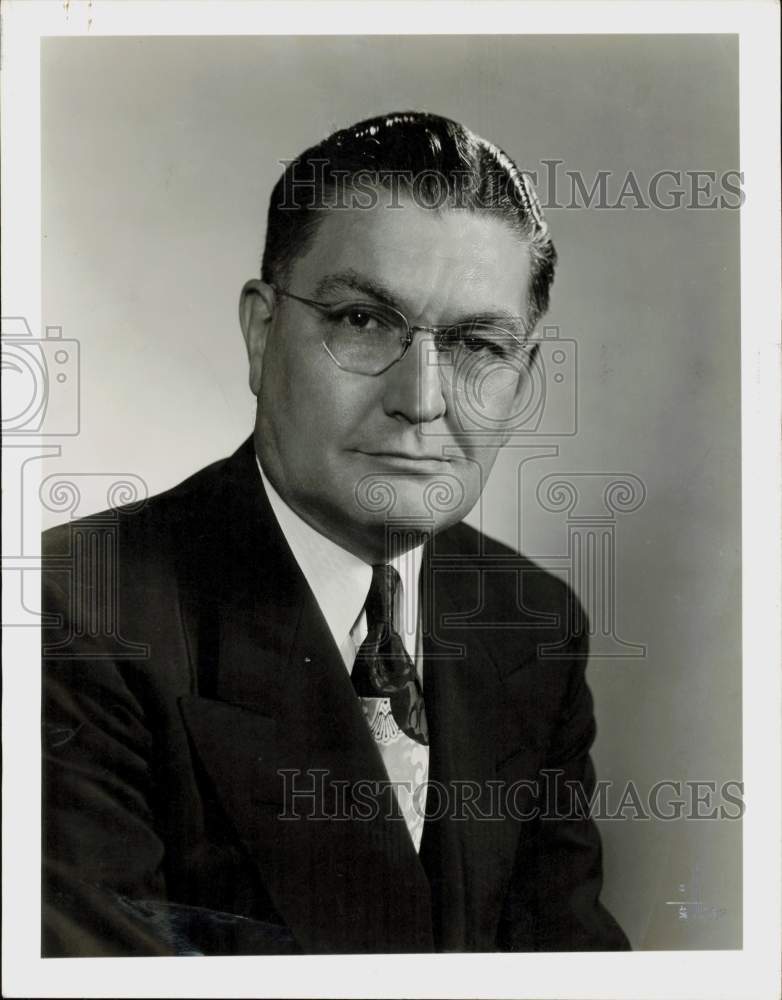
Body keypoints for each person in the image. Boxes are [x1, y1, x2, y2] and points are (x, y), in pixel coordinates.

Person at [42, 111, 630, 955]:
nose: (422, 398)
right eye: (362, 321)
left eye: (477, 344)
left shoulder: (532, 622)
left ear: (523, 376)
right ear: (260, 332)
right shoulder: (73, 612)